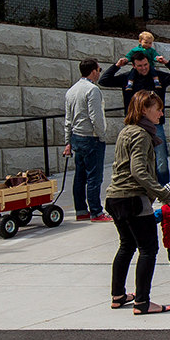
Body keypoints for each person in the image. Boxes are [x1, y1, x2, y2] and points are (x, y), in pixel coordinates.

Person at [106, 90, 170, 315]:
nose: (161, 113)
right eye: (157, 109)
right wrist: (167, 196)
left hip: (115, 197)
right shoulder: (141, 134)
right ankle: (142, 302)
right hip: (133, 199)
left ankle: (118, 295)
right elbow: (138, 171)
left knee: (127, 245)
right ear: (143, 109)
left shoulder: (126, 131)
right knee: (148, 249)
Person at [102, 49, 170, 184]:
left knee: (161, 160)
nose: (143, 68)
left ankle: (164, 189)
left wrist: (167, 63)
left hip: (155, 125)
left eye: (146, 65)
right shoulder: (127, 78)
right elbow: (104, 80)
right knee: (136, 159)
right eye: (140, 66)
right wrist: (117, 66)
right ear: (133, 66)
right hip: (135, 125)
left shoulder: (158, 77)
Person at [62, 57, 111, 221]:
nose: (99, 73)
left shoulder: (71, 90)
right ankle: (96, 211)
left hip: (77, 137)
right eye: (99, 70)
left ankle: (81, 210)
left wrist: (68, 141)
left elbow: (68, 119)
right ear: (93, 71)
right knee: (94, 177)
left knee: (80, 176)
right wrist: (102, 135)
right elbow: (95, 117)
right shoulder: (92, 90)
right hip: (91, 138)